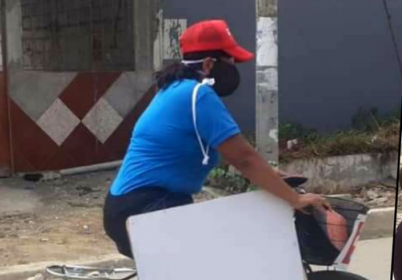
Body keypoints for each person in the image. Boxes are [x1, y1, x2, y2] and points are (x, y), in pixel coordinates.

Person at [104, 20, 328, 258]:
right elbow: (244, 159)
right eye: (231, 61)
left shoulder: (175, 88)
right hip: (146, 208)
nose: (234, 68)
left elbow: (233, 153)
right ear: (210, 63)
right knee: (222, 256)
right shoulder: (197, 95)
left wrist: (271, 176)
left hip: (137, 206)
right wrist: (295, 199)